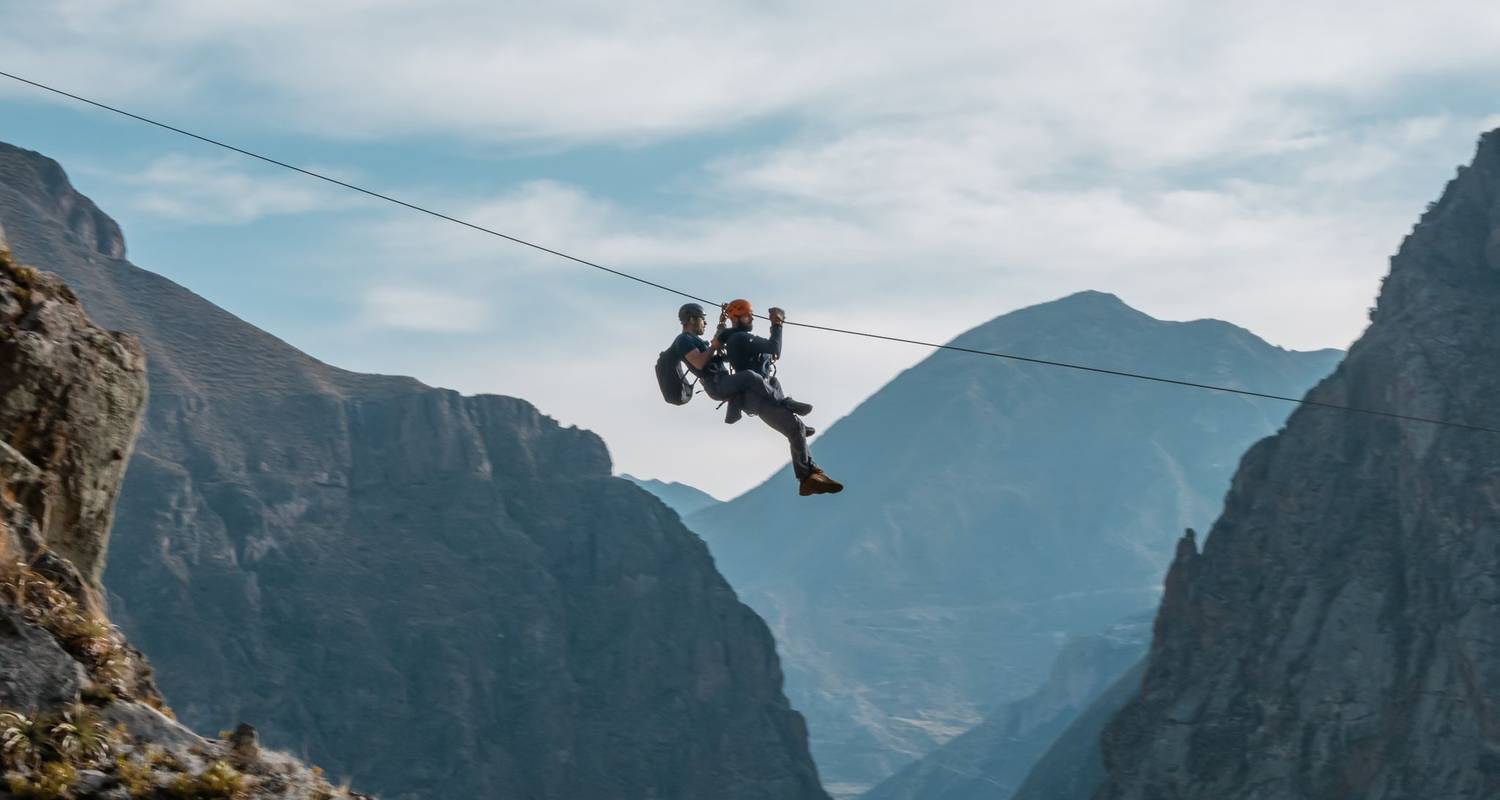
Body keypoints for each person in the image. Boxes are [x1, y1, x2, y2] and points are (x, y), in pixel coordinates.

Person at [717, 299, 843, 496]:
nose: (751, 318)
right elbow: (774, 348)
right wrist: (777, 324)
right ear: (737, 317)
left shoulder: (736, 339)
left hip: (759, 396)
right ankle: (807, 477)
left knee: (795, 424)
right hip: (759, 398)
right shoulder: (740, 339)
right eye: (747, 315)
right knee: (795, 428)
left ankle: (810, 471)